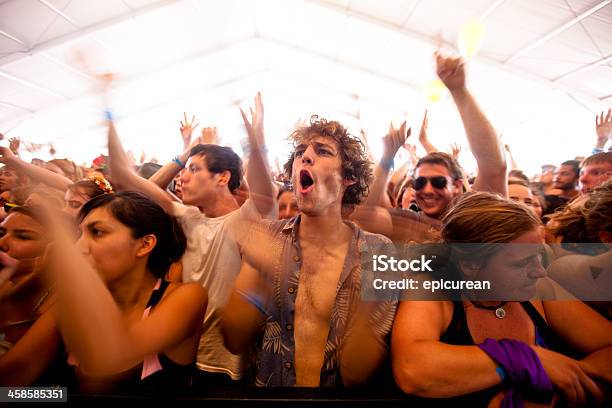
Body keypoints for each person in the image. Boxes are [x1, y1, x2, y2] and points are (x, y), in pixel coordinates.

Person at [106, 92, 276, 384]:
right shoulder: (188, 217)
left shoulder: (246, 218)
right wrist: (187, 153)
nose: (181, 178)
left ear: (222, 177)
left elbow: (265, 190)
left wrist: (256, 141)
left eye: (194, 171)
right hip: (184, 355)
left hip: (230, 362)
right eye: (184, 171)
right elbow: (125, 177)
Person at [222, 115, 397, 387]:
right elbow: (234, 341)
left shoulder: (376, 251)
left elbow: (356, 375)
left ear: (349, 177)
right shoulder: (268, 237)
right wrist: (260, 276)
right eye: (300, 153)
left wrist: (367, 299)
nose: (305, 157)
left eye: (323, 151)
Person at [392, 192, 612, 406]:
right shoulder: (431, 287)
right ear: (470, 265)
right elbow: (412, 370)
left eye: (539, 255)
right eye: (521, 263)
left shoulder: (540, 290)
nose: (540, 272)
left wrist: (552, 388)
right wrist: (527, 359)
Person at [46, 191, 207, 393]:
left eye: (97, 232)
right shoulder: (70, 302)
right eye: (78, 235)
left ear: (145, 245)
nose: (78, 248)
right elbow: (17, 382)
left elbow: (112, 359)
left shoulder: (188, 297)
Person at [352, 52, 506, 242]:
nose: (427, 189)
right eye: (419, 182)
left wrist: (459, 91)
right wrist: (386, 159)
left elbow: (494, 168)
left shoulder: (472, 221)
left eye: (438, 182)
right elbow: (364, 217)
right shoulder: (408, 224)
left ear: (457, 186)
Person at [0, 207, 66, 386]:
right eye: (1, 232)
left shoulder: (64, 301)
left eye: (22, 236)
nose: (2, 242)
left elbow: (9, 381)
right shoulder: (5, 281)